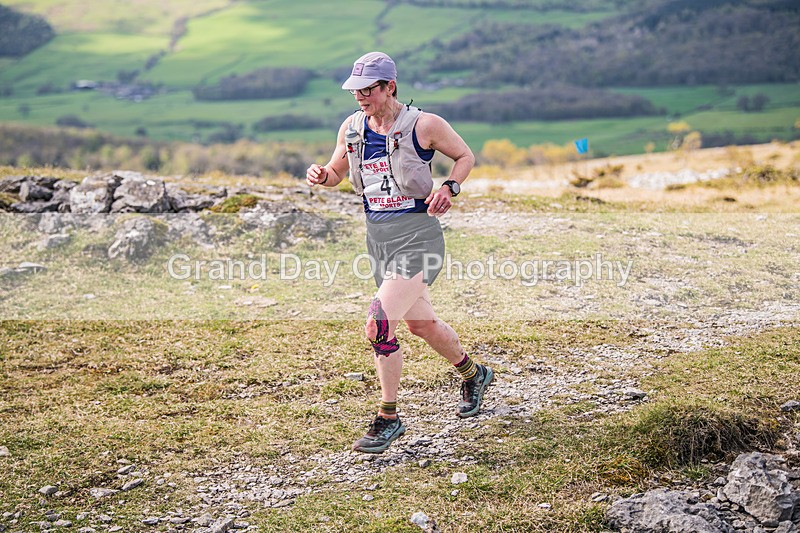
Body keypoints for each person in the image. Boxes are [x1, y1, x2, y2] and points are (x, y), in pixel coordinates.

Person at [306, 51, 493, 454]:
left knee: (378, 323)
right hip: (378, 239)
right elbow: (336, 173)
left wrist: (449, 188)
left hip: (419, 237)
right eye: (355, 90)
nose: (359, 97)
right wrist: (323, 175)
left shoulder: (424, 125)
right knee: (420, 326)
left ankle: (389, 418)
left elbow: (465, 156)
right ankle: (474, 374)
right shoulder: (352, 128)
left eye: (367, 89)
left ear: (389, 86)